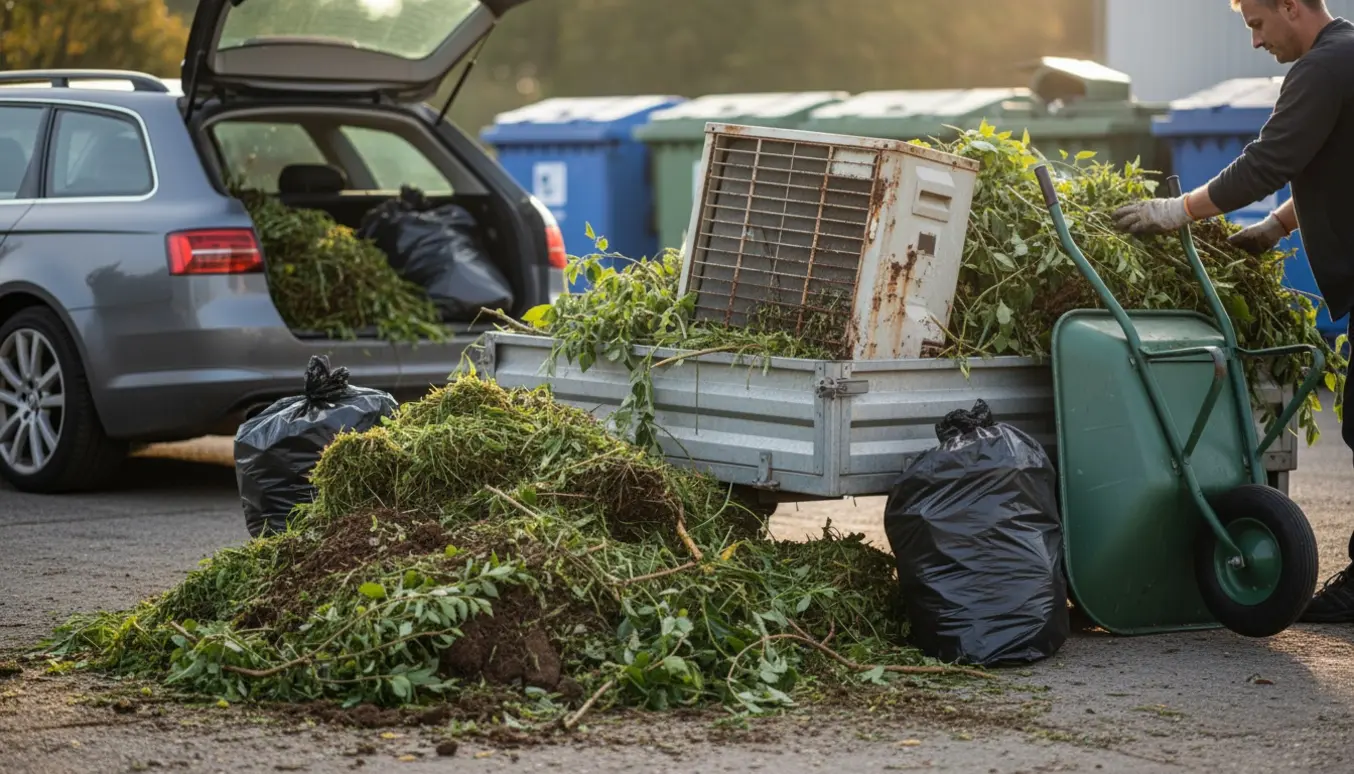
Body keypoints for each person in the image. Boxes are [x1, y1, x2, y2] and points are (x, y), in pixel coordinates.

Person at [1110, 0, 1354, 624]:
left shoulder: (1322, 68)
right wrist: (1275, 225)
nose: (1254, 41)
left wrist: (1176, 211)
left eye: (1255, 22)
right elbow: (1333, 164)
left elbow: (1269, 162)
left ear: (1292, 7)